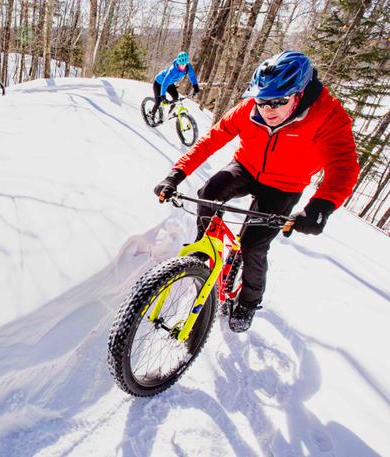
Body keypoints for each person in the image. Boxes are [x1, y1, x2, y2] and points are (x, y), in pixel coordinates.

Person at [153, 50, 359, 332]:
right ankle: (205, 252)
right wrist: (175, 174)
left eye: (278, 101)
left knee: (253, 246)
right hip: (246, 167)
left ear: (298, 94)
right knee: (208, 192)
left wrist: (321, 206)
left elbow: (344, 165)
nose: (267, 109)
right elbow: (213, 139)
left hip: (285, 184)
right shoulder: (249, 109)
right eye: (261, 101)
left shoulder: (327, 115)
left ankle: (249, 302)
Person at [150, 51, 200, 122]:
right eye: (181, 64)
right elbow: (164, 83)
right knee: (158, 101)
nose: (182, 66)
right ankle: (152, 115)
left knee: (175, 97)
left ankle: (170, 113)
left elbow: (192, 76)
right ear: (178, 62)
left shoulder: (188, 67)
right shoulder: (172, 70)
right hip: (159, 83)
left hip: (170, 84)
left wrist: (196, 86)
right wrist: (163, 96)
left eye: (184, 64)